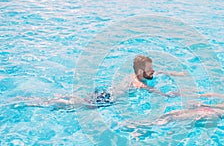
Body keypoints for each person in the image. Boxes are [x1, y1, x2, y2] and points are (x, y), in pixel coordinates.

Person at [14, 55, 185, 109]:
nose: (153, 71)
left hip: (104, 92)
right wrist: (169, 95)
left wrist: (175, 73)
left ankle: (38, 100)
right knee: (70, 105)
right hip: (106, 100)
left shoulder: (134, 75)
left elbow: (159, 72)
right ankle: (33, 102)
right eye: (150, 69)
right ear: (141, 72)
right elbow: (152, 90)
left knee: (72, 100)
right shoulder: (138, 82)